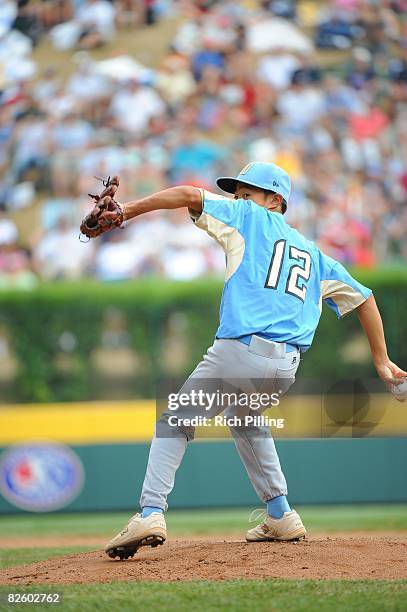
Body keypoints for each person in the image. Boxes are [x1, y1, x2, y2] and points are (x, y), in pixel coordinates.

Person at [103, 161, 407, 558]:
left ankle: (150, 511)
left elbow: (187, 194)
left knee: (174, 422)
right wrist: (381, 360)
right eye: (237, 193)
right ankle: (280, 513)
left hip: (239, 351)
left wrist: (126, 210)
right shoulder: (315, 255)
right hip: (285, 368)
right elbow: (364, 296)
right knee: (244, 418)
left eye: (247, 193)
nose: (238, 199)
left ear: (274, 200)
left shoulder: (250, 217)